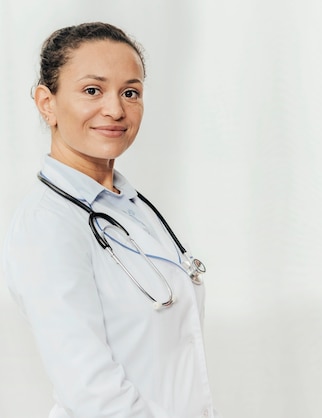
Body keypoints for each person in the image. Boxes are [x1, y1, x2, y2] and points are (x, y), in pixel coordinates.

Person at [2, 22, 221, 417]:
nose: (116, 109)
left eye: (130, 92)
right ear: (46, 102)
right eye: (92, 90)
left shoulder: (127, 205)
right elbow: (89, 388)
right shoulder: (47, 224)